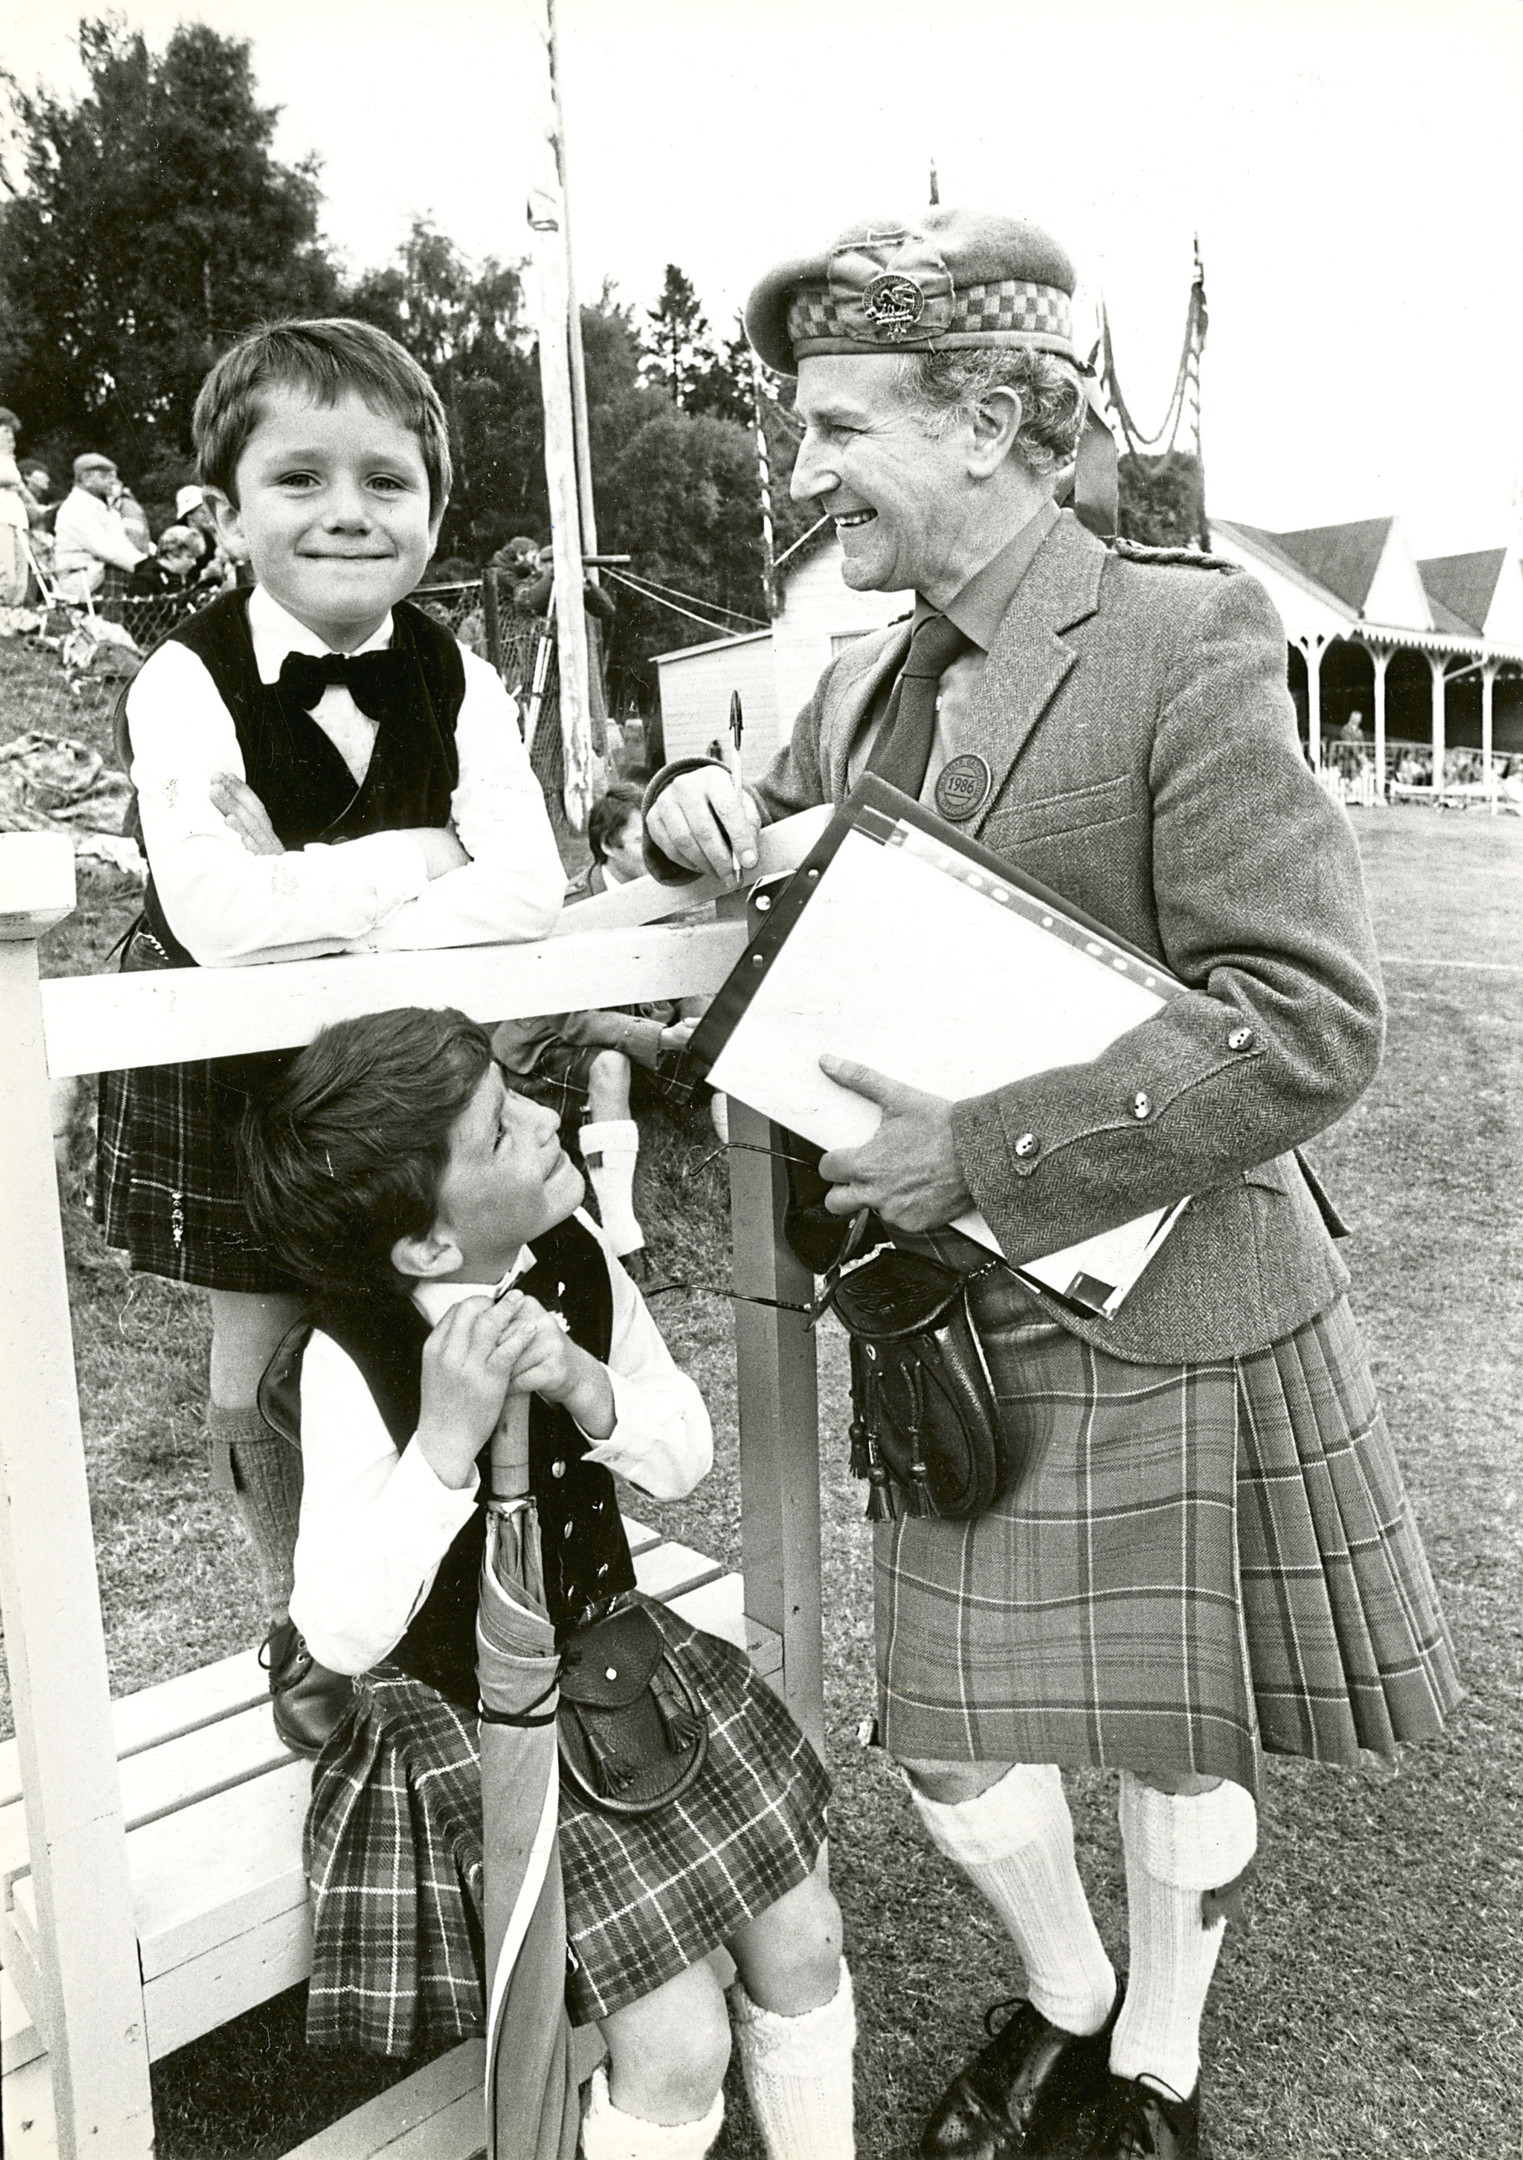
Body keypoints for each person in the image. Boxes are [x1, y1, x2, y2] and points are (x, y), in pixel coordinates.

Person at [643, 208, 1461, 2160]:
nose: (804, 461)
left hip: (1176, 1302)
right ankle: (1066, 1992)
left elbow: (1302, 1020)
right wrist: (690, 813)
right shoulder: (851, 682)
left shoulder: (1185, 635)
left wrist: (980, 1150)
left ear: (993, 418)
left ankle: (1151, 2065)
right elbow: (768, 832)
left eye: (840, 422)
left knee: (1176, 1734)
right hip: (951, 1325)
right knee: (940, 1734)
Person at [237, 1004, 855, 2160]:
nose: (541, 1116)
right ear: (424, 1247)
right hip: (466, 1714)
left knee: (806, 1941)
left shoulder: (576, 1263)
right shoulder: (348, 1352)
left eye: (516, 1089)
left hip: (614, 1661)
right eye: (496, 1131)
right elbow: (340, 1626)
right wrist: (443, 1446)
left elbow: (683, 1456)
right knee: (675, 2047)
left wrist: (586, 1385)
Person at [94, 317, 566, 1755]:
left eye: (387, 480)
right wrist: (422, 860)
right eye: (298, 478)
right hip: (229, 1064)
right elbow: (225, 919)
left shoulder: (458, 677)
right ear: (226, 512)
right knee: (262, 1352)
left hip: (399, 1065)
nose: (347, 511)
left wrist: (332, 903)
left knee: (402, 1318)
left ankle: (416, 1605)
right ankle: (300, 1626)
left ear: (432, 511)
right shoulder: (182, 680)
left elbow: (531, 887)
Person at [494, 783, 699, 1278]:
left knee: (719, 1053)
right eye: (643, 843)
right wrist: (661, 1038)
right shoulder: (570, 907)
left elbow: (688, 965)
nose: (659, 854)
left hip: (630, 1023)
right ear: (609, 847)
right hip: (548, 1041)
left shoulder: (656, 889)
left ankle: (754, 1184)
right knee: (612, 1065)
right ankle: (624, 1235)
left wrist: (707, 1021)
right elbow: (574, 1020)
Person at [52, 451, 149, 603]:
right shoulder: (75, 507)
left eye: (113, 476)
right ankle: (115, 623)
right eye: (105, 477)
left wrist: (147, 563)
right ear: (85, 479)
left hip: (98, 573)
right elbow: (103, 548)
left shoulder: (103, 507)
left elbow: (122, 544)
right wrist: (142, 564)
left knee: (150, 576)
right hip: (81, 577)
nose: (113, 481)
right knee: (138, 575)